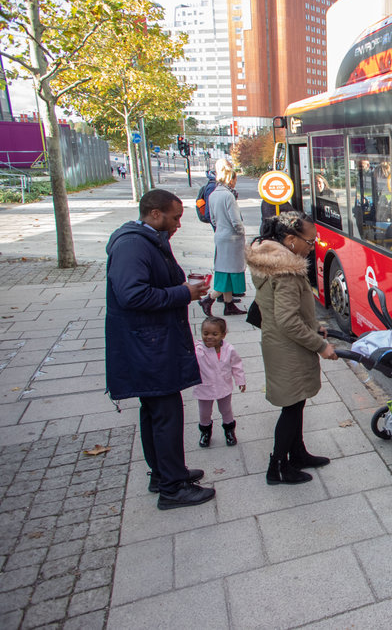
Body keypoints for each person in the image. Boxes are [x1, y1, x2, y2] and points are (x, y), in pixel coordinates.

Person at [105, 189, 215, 510]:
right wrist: (183, 293)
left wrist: (184, 290)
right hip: (147, 346)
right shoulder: (132, 245)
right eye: (175, 217)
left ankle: (165, 473)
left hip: (150, 342)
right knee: (166, 413)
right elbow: (132, 295)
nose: (179, 223)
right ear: (155, 214)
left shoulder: (147, 240)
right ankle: (173, 488)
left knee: (155, 411)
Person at [245, 211, 338, 485]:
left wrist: (314, 325)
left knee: (296, 403)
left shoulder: (273, 261)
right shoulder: (285, 271)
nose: (313, 246)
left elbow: (284, 313)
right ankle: (278, 468)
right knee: (292, 407)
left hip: (282, 344)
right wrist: (321, 345)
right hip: (288, 348)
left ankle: (297, 454)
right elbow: (287, 320)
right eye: (310, 241)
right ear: (289, 239)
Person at [200, 159, 247, 317]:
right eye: (235, 179)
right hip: (232, 239)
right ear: (230, 179)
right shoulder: (228, 196)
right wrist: (241, 232)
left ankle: (229, 305)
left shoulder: (213, 195)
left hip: (220, 235)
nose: (235, 183)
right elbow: (236, 221)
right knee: (232, 272)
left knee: (225, 271)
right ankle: (209, 299)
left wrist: (220, 228)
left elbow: (212, 218)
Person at [193, 316, 245, 448]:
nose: (209, 337)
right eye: (206, 333)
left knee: (226, 410)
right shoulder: (198, 350)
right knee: (204, 413)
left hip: (223, 386)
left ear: (223, 335)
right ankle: (205, 432)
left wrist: (240, 380)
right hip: (204, 387)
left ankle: (229, 431)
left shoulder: (229, 349)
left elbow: (236, 365)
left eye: (214, 334)